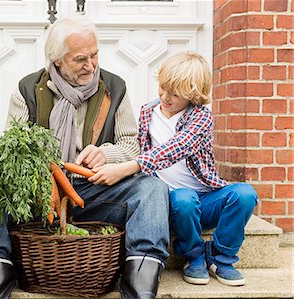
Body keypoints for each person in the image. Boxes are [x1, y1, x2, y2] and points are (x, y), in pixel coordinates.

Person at [0, 14, 170, 299]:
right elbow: (12, 149)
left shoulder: (115, 87)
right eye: (80, 59)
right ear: (57, 60)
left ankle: (141, 281)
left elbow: (131, 144)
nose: (91, 65)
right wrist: (44, 171)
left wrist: (106, 153)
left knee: (152, 189)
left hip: (95, 191)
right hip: (38, 196)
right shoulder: (27, 89)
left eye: (95, 54)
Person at [90, 51, 258, 286]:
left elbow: (177, 147)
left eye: (175, 94)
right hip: (174, 201)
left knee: (245, 194)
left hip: (205, 199)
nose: (165, 97)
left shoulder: (201, 117)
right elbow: (138, 147)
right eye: (163, 88)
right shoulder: (148, 111)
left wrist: (129, 167)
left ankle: (222, 257)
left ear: (193, 95)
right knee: (183, 199)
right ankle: (195, 255)